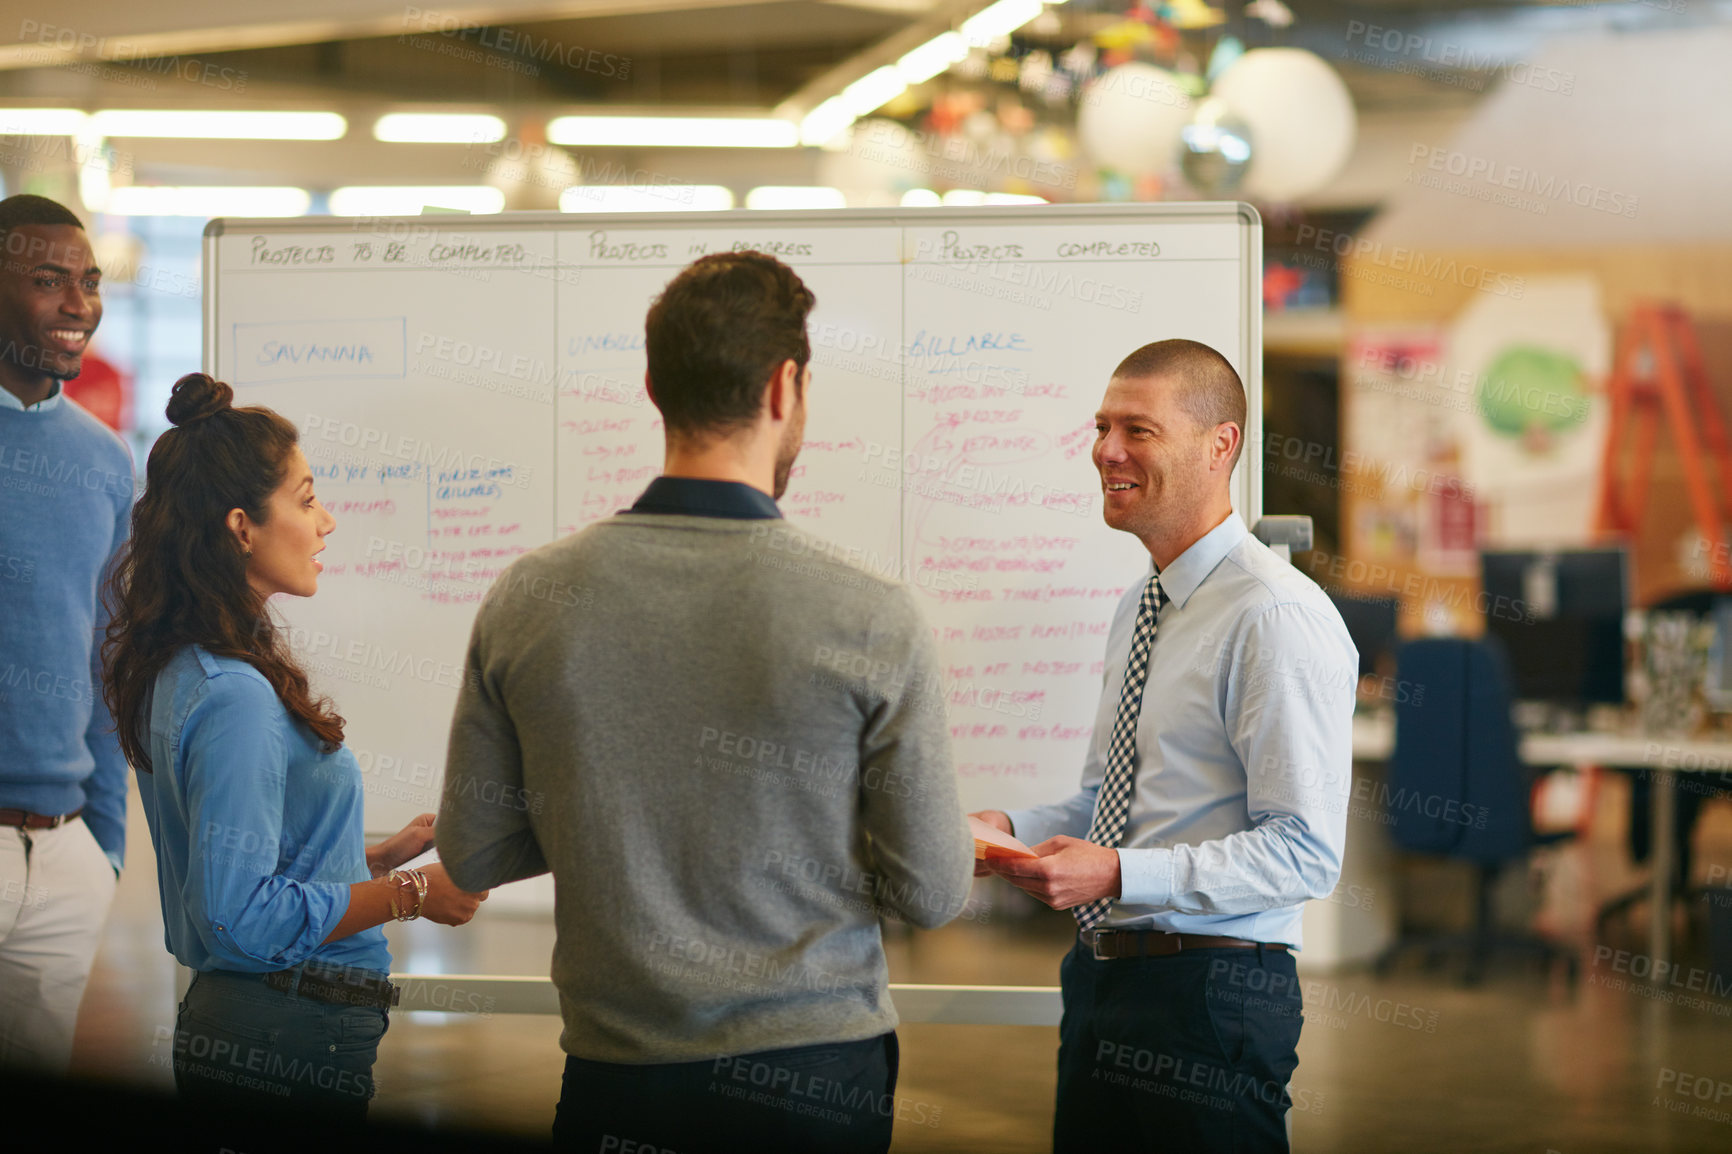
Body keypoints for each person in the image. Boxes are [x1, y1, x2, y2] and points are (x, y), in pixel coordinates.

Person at [437, 251, 974, 1153]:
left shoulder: (530, 597)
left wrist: (611, 811)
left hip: (617, 1078)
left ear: (653, 387)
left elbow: (475, 848)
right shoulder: (870, 616)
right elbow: (933, 889)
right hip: (816, 1079)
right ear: (784, 385)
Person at [973, 339, 1356, 1153]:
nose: (1105, 450)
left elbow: (1304, 853)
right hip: (1105, 978)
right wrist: (1004, 825)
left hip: (1210, 994)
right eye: (1103, 426)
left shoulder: (1274, 616)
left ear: (1221, 446)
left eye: (1137, 430)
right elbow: (1111, 798)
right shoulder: (1142, 607)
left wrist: (1117, 872)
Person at [100, 372, 487, 1121]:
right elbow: (237, 919)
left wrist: (366, 864)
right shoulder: (234, 695)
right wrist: (410, 896)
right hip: (287, 1027)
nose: (327, 522)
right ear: (241, 526)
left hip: (272, 1019)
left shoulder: (187, 665)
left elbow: (242, 874)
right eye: (307, 500)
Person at [0, 193, 133, 1073]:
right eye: (49, 281)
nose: (79, 303)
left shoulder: (105, 460)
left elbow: (107, 656)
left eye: (88, 282)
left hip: (65, 852)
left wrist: (106, 847)